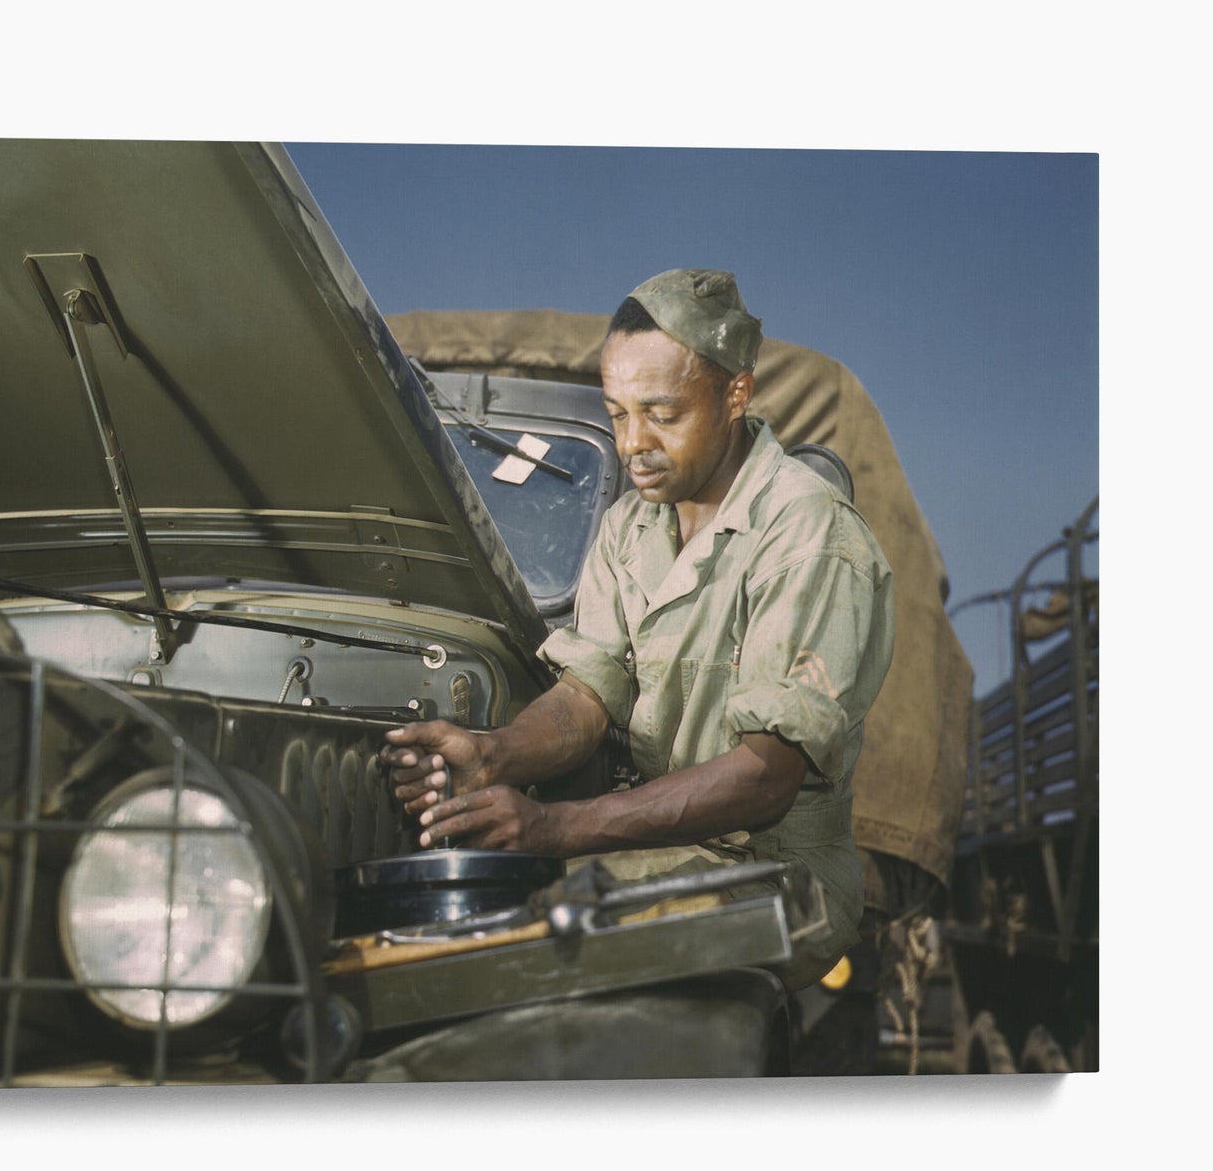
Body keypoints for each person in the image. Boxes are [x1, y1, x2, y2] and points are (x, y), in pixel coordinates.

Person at [381, 269, 894, 990]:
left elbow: (765, 776)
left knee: (521, 966)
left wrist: (553, 828)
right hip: (659, 852)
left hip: (776, 877)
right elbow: (589, 689)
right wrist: (493, 755)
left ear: (735, 394)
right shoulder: (631, 524)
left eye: (661, 412)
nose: (632, 444)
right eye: (617, 414)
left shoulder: (807, 533)